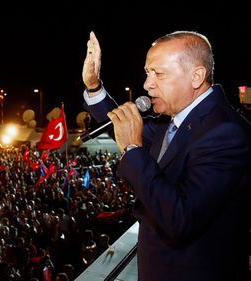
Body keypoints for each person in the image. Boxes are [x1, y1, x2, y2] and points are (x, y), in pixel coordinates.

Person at [81, 30, 251, 281]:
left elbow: (181, 218)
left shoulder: (225, 132)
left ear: (196, 76)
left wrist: (133, 149)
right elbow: (124, 123)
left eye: (159, 74)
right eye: (148, 73)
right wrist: (94, 86)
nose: (147, 84)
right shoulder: (175, 121)